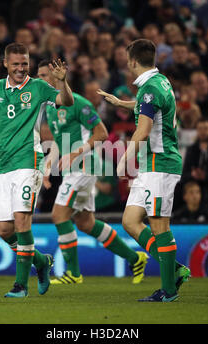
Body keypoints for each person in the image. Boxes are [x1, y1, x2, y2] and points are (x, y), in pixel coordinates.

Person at [0, 42, 74, 298]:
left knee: (21, 222)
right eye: (16, 63)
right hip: (3, 165)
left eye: (25, 63)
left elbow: (66, 101)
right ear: (5, 63)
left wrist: (63, 82)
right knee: (4, 230)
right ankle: (41, 262)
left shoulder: (39, 87)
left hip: (29, 162)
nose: (21, 68)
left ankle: (20, 285)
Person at [37, 60, 148, 285]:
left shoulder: (79, 103)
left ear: (56, 77)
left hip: (85, 167)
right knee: (86, 223)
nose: (40, 81)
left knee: (59, 215)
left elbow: (102, 134)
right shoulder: (49, 106)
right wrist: (49, 164)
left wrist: (76, 153)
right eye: (38, 76)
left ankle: (74, 273)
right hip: (73, 169)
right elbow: (59, 141)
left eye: (44, 76)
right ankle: (135, 258)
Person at [97, 38, 190, 302]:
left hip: (160, 164)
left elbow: (144, 128)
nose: (127, 64)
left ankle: (168, 290)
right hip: (151, 166)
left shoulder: (149, 88)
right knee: (130, 221)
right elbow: (151, 108)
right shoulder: (160, 83)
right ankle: (173, 269)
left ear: (133, 61)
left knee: (160, 225)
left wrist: (125, 157)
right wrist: (121, 102)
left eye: (128, 59)